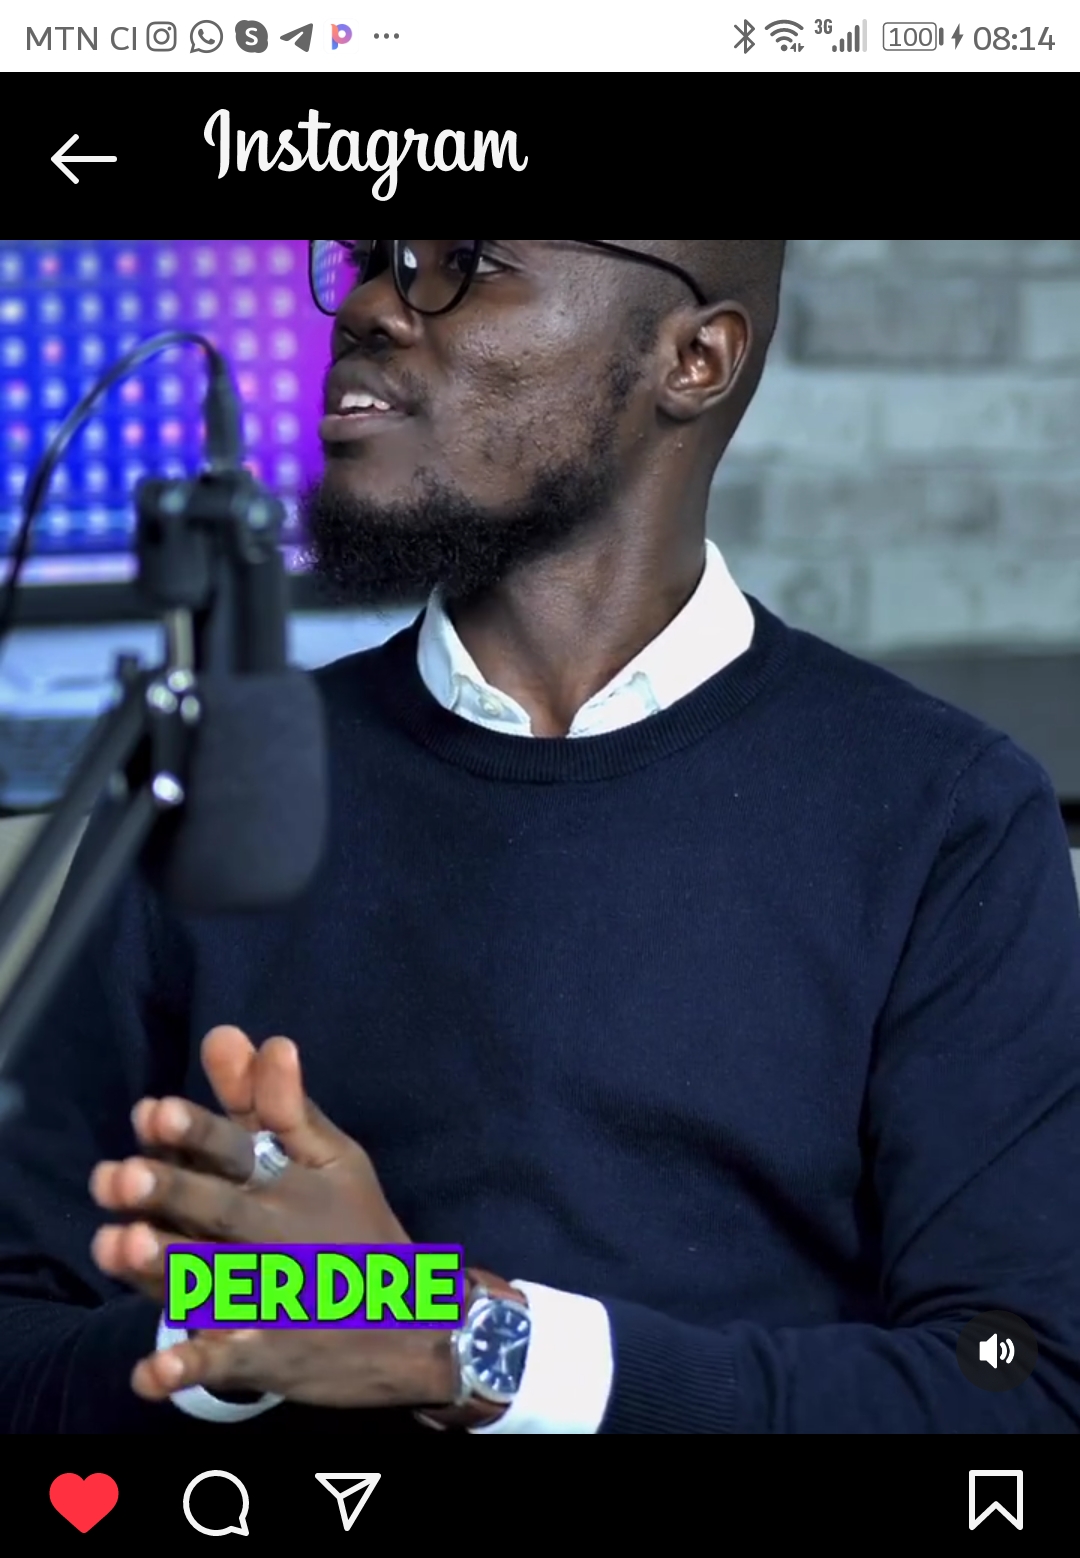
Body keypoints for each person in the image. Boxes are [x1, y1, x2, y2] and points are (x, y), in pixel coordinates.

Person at [1, 237, 1078, 1436]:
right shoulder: (205, 779)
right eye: (368, 260)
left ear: (694, 358)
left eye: (464, 260)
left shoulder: (944, 814)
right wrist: (250, 1326)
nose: (369, 306)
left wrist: (464, 1342)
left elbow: (1018, 1382)